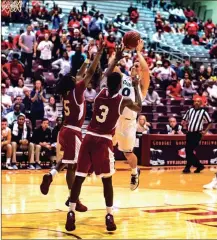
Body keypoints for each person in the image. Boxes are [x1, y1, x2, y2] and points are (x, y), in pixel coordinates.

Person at [65, 70, 142, 232]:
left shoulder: (100, 93)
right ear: (120, 86)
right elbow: (139, 107)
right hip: (103, 141)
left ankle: (71, 212)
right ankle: (109, 215)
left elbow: (104, 76)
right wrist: (135, 86)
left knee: (79, 178)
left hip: (89, 137)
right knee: (107, 181)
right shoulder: (123, 100)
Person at [40, 39, 105, 211]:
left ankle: (50, 175)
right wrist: (97, 55)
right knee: (73, 166)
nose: (76, 77)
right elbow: (89, 72)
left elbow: (80, 72)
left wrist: (87, 57)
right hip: (73, 131)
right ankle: (72, 199)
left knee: (68, 160)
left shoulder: (67, 92)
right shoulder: (77, 90)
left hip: (65, 130)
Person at [112, 40, 150, 190]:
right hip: (115, 119)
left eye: (137, 66)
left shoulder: (142, 86)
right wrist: (119, 51)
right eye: (133, 65)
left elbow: (146, 70)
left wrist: (139, 52)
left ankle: (134, 173)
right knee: (106, 145)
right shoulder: (123, 78)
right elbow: (112, 66)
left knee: (128, 154)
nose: (135, 67)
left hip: (129, 123)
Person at [181, 98, 212, 173]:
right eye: (195, 101)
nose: (196, 102)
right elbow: (184, 120)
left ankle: (188, 167)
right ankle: (199, 166)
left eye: (198, 101)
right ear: (193, 103)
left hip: (197, 134)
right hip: (189, 133)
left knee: (189, 150)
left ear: (201, 103)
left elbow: (210, 123)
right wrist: (184, 125)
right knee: (188, 151)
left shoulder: (203, 112)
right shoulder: (190, 110)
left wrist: (205, 132)